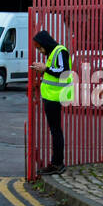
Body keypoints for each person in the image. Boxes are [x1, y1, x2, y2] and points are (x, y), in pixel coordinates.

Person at [32, 29, 73, 175]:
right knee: (55, 130)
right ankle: (56, 163)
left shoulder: (60, 51)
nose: (40, 51)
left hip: (55, 96)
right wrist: (44, 70)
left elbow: (63, 71)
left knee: (56, 131)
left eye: (40, 47)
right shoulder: (54, 52)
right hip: (51, 96)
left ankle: (57, 164)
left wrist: (45, 68)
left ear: (45, 44)